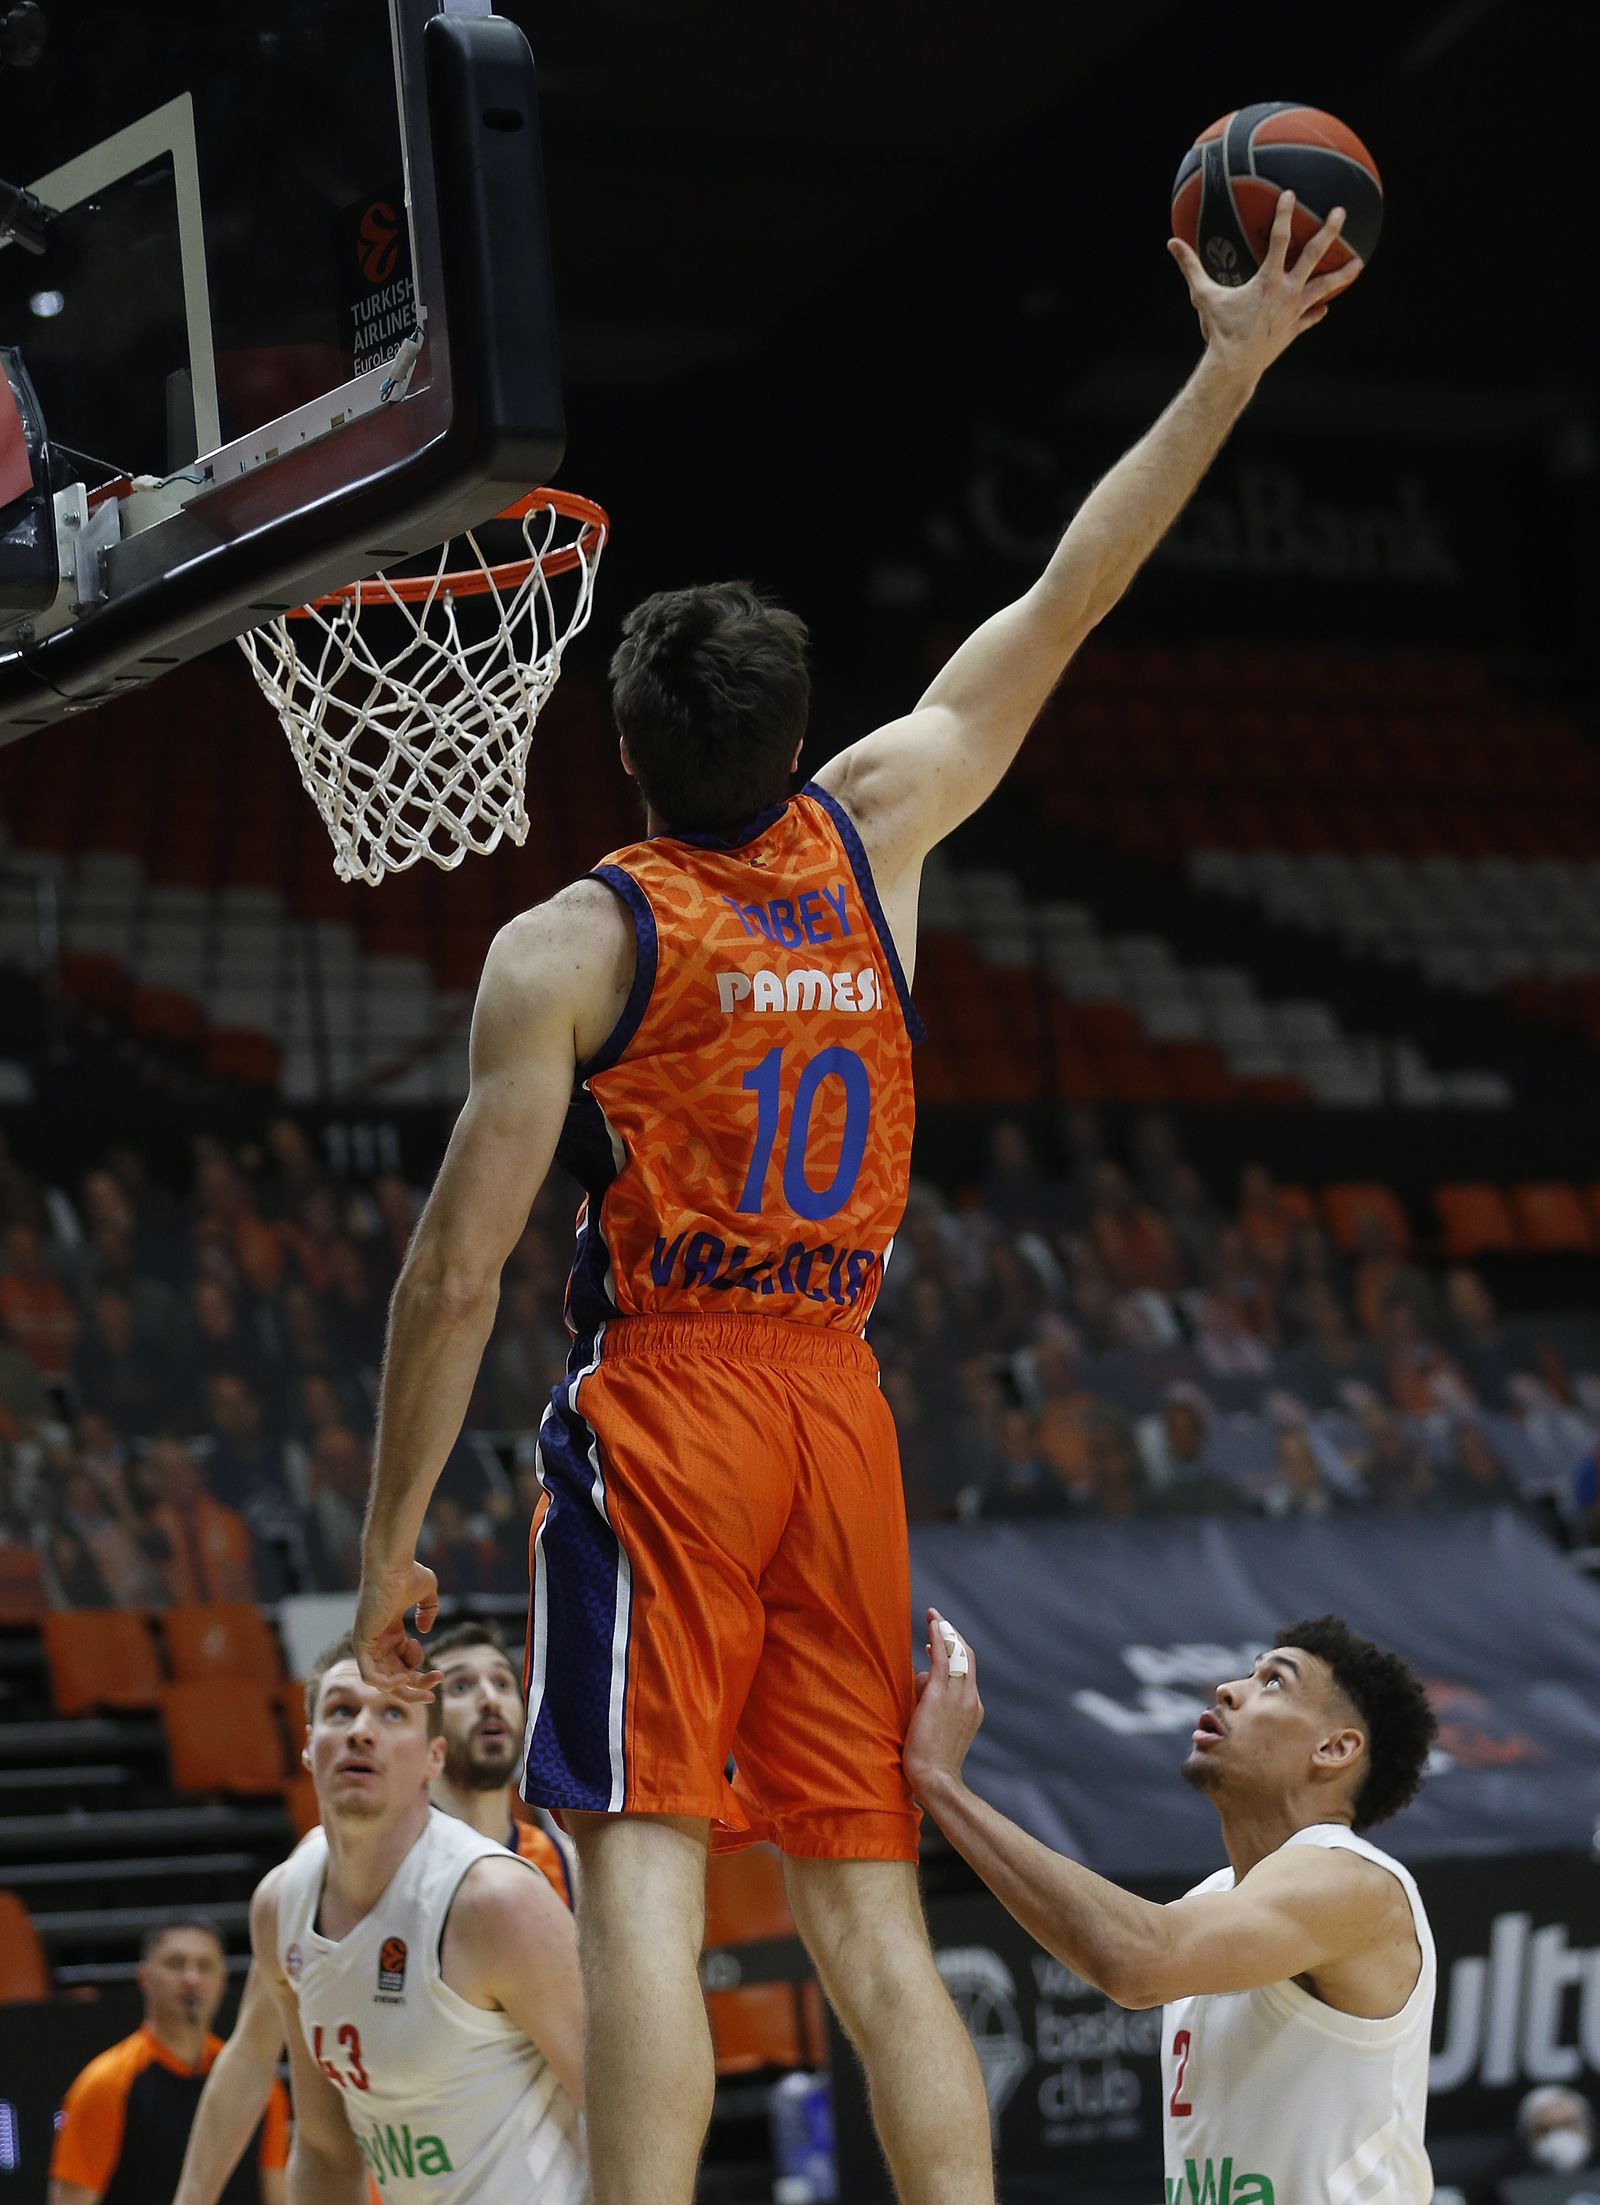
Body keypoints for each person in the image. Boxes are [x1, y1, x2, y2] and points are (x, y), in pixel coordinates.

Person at [352, 187, 1361, 2205]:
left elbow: (459, 1275)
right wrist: (1224, 365)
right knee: (866, 1918)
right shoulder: (878, 819)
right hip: (839, 1403)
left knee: (642, 1868)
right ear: (797, 738)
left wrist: (388, 1538)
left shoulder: (567, 945)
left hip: (670, 1405)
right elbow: (1070, 589)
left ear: (621, 757)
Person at [904, 1608, 1439, 2204]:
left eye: (1273, 1683)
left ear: (1335, 1747)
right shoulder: (1209, 1900)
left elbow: (1136, 1961)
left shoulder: (1353, 1882)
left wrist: (941, 1784)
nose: (1228, 1689)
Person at [172, 1632, 585, 2205]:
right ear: (310, 1746)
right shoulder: (286, 1901)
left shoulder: (504, 1894)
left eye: (392, 1712)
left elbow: (626, 2104)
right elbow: (320, 2142)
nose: (362, 1730)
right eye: (342, 1711)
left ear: (431, 1755)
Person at [49, 1917, 288, 2205]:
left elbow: (277, 2195)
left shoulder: (257, 2084)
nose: (191, 1979)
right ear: (144, 1977)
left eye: (204, 1966)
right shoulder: (107, 2082)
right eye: (175, 1964)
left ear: (223, 1979)